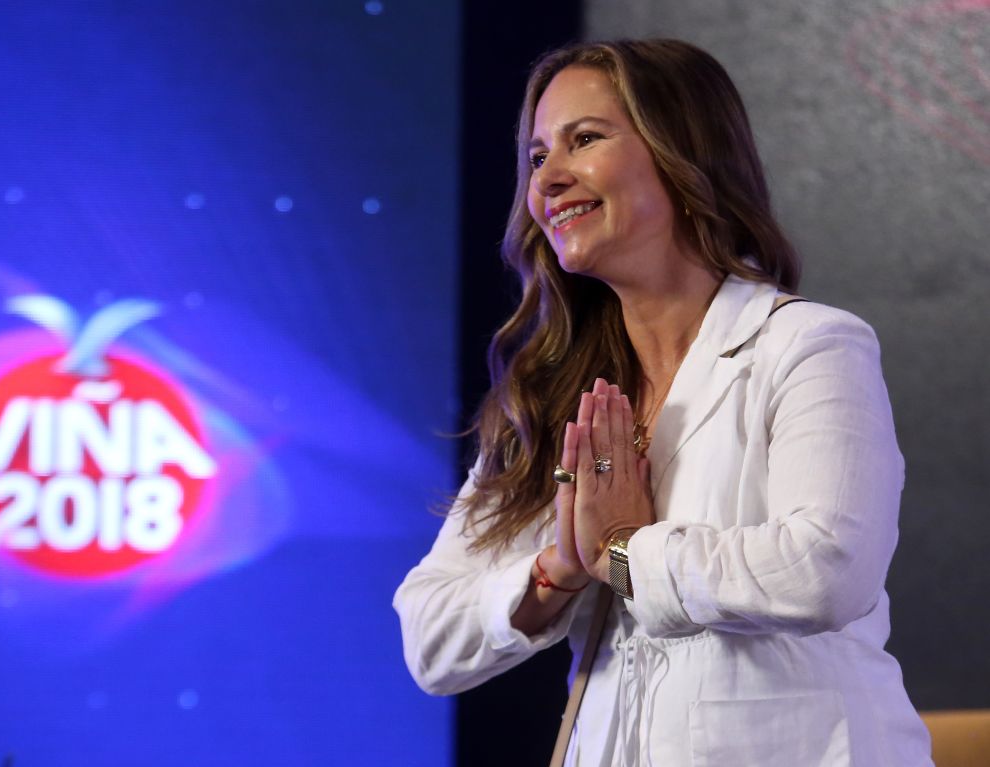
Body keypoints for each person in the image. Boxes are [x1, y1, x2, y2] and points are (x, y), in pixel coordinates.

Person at [393, 39, 933, 766]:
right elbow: (430, 639)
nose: (548, 178)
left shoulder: (808, 345)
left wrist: (626, 551)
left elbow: (825, 570)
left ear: (682, 155)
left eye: (583, 139)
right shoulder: (554, 393)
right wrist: (561, 566)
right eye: (537, 155)